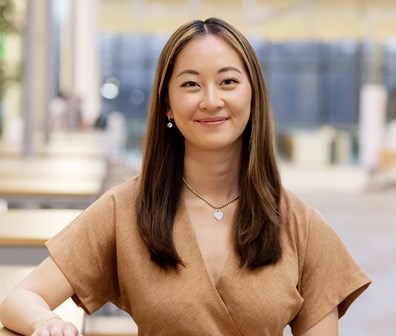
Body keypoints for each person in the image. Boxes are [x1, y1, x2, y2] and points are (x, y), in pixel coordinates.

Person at [0, 17, 371, 336]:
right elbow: (20, 298)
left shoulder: (301, 224)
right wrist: (47, 323)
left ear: (253, 95)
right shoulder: (125, 208)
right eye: (191, 84)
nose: (211, 100)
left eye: (228, 82)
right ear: (167, 104)